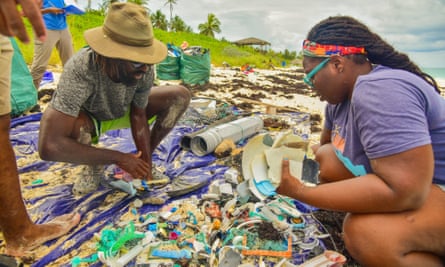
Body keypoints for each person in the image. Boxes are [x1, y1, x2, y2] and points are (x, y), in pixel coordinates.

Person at [277, 16, 445, 266]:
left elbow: (406, 192)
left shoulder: (380, 89)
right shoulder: (339, 100)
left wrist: (303, 193)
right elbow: (323, 151)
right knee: (326, 157)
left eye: (309, 76)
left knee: (365, 234)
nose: (310, 85)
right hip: (419, 187)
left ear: (336, 64)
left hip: (428, 189)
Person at [38, 2, 191, 195]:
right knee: (74, 126)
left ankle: (142, 162)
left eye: (147, 61)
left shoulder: (144, 67)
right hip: (91, 119)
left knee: (180, 95)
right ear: (110, 55)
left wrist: (143, 163)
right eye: (136, 62)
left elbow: (138, 114)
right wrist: (117, 157)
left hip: (124, 109)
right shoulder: (80, 69)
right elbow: (49, 145)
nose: (144, 69)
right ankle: (93, 165)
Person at [0, 0, 80, 257]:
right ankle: (20, 234)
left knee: (71, 65)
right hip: (42, 26)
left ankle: (18, 232)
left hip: (60, 26)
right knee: (38, 67)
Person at [30, 0, 74, 90]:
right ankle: (30, 98)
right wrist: (48, 10)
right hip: (45, 29)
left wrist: (66, 11)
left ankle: (68, 93)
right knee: (39, 66)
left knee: (70, 64)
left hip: (63, 28)